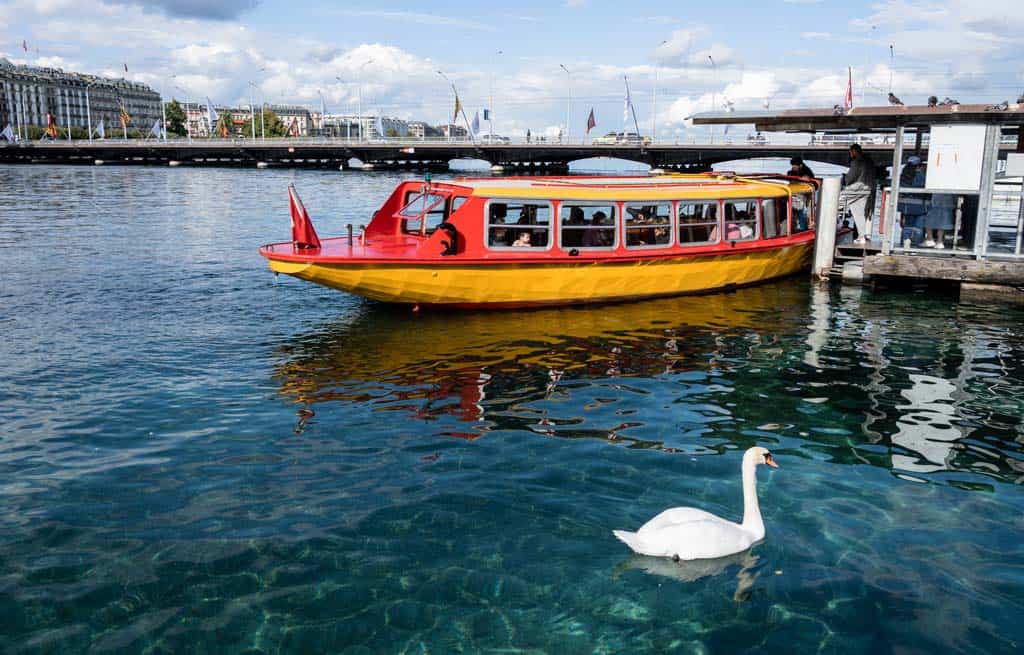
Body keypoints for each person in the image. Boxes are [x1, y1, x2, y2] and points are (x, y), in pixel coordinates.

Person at [840, 143, 877, 244]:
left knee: (837, 201)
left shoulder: (857, 162)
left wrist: (844, 178)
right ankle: (862, 236)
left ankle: (835, 223)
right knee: (860, 214)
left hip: (858, 188)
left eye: (850, 152)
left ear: (854, 151)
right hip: (868, 189)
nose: (850, 154)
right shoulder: (869, 161)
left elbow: (851, 177)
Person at [897, 155, 927, 247]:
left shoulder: (904, 174)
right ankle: (915, 245)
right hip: (920, 205)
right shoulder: (921, 175)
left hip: (906, 205)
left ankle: (905, 241)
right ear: (919, 165)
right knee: (918, 227)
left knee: (907, 225)